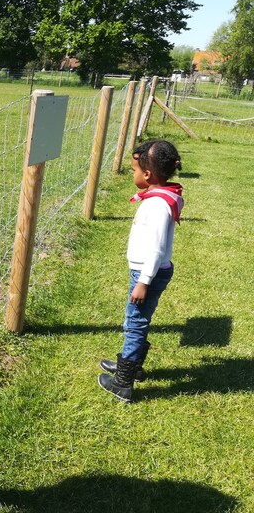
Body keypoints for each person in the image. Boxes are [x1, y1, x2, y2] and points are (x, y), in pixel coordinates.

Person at [98, 139, 184, 403]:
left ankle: (123, 383)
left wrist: (143, 281)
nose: (133, 175)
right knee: (138, 321)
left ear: (147, 175)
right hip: (149, 273)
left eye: (135, 170)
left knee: (134, 324)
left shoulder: (157, 206)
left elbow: (156, 250)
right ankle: (130, 365)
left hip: (148, 274)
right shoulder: (161, 196)